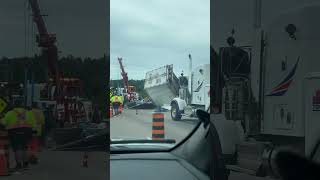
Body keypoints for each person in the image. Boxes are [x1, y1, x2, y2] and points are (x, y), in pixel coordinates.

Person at [0, 100, 35, 171]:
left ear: (14, 105)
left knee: (17, 148)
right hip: (27, 131)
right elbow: (33, 123)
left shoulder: (10, 113)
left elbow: (3, 122)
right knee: (25, 147)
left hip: (15, 132)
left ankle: (19, 165)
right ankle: (25, 164)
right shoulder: (28, 112)